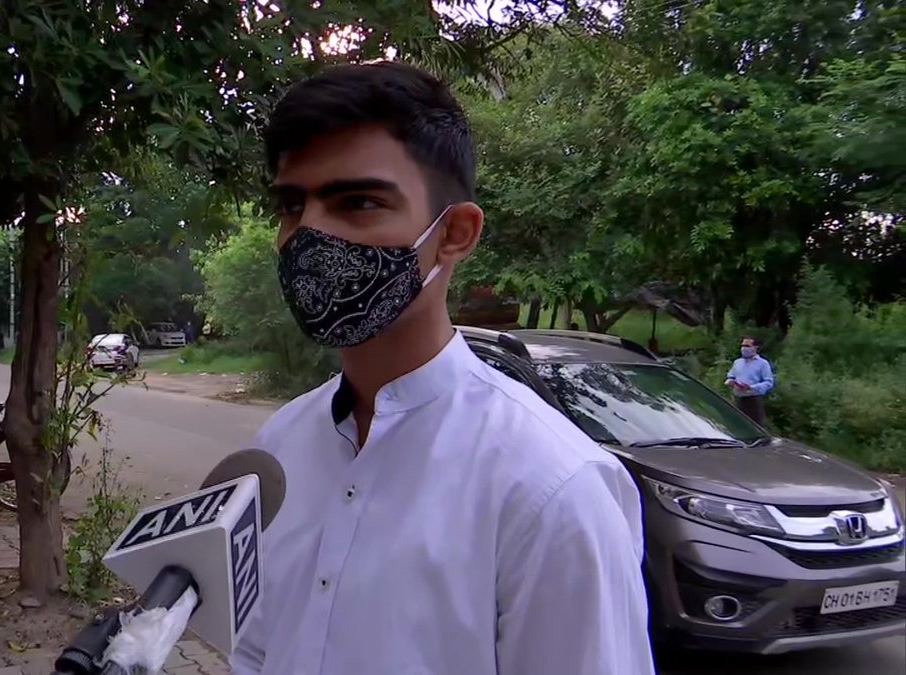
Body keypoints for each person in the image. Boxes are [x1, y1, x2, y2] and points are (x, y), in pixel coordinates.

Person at [231, 63, 653, 675]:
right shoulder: (278, 450)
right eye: (292, 206)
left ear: (454, 233)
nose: (309, 234)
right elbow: (256, 651)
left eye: (358, 202)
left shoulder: (552, 492)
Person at [725, 336, 775, 427]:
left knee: (755, 426)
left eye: (747, 346)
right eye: (742, 346)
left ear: (755, 347)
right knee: (736, 426)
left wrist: (752, 387)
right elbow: (731, 376)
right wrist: (730, 381)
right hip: (738, 399)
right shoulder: (737, 362)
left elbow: (769, 382)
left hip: (753, 400)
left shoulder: (762, 364)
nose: (744, 348)